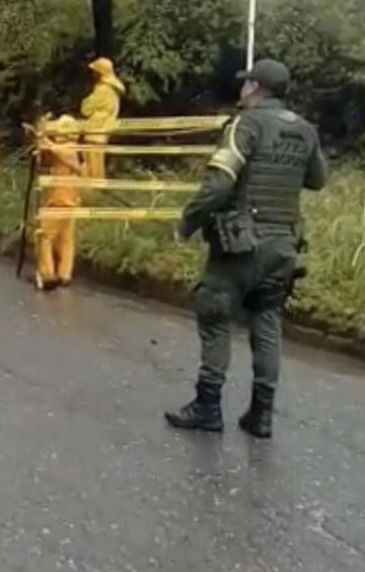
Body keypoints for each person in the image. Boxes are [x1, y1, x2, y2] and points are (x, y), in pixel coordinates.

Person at [165, 59, 327, 439]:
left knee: (216, 312)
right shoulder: (306, 131)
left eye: (245, 83)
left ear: (254, 86)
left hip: (240, 244)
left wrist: (189, 221)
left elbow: (220, 185)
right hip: (284, 245)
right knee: (267, 322)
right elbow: (317, 180)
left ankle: (207, 407)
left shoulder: (246, 124)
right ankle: (262, 415)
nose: (241, 90)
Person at [35, 114, 83, 291]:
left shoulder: (67, 149)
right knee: (65, 239)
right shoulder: (72, 149)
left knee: (44, 236)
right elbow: (46, 156)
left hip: (60, 201)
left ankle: (48, 273)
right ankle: (64, 274)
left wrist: (41, 132)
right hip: (69, 200)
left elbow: (49, 146)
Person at [79, 57, 125, 179]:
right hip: (102, 132)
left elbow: (86, 109)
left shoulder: (102, 90)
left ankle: (93, 191)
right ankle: (94, 191)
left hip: (94, 131)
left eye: (95, 71)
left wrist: (85, 101)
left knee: (92, 167)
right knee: (95, 164)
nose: (92, 74)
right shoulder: (113, 90)